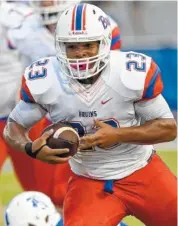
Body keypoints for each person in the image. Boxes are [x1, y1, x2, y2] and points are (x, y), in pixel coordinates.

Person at [5, 2, 176, 226]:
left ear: (103, 43)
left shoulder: (128, 73)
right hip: (89, 181)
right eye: (72, 46)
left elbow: (168, 128)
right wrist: (30, 148)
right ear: (59, 47)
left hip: (141, 171)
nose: (81, 53)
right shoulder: (47, 79)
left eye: (88, 44)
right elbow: (13, 127)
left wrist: (119, 135)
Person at [0, 0, 122, 207]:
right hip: (44, 115)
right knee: (46, 193)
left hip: (91, 112)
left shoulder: (103, 24)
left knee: (88, 192)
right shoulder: (23, 27)